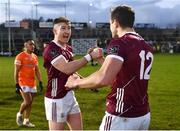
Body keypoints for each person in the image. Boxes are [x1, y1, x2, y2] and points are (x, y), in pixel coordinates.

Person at [65, 5, 154, 130]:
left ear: (115, 22)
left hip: (122, 115)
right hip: (143, 114)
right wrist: (101, 60)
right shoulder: (145, 45)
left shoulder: (121, 42)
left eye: (110, 23)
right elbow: (124, 73)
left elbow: (104, 78)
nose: (110, 27)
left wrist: (76, 82)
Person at [43, 17, 102, 130]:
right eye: (63, 28)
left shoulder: (68, 48)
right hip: (56, 98)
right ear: (55, 31)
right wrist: (89, 56)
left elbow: (73, 71)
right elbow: (66, 68)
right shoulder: (51, 49)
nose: (67, 31)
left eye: (69, 28)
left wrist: (85, 82)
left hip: (69, 95)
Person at [14, 39, 43, 127]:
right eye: (31, 44)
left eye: (33, 44)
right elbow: (16, 71)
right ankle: (19, 114)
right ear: (26, 45)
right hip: (22, 82)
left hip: (32, 82)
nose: (33, 46)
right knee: (28, 101)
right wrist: (16, 84)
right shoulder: (20, 56)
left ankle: (26, 121)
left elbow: (37, 70)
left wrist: (40, 81)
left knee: (30, 103)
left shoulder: (34, 56)